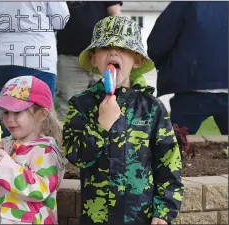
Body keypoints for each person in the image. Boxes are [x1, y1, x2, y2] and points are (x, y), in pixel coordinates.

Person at [62, 16, 184, 225]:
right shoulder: (81, 105)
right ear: (93, 59)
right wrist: (101, 125)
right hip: (96, 218)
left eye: (123, 47)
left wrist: (163, 211)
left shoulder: (152, 108)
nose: (113, 51)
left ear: (137, 60)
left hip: (139, 217)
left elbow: (168, 163)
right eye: (105, 47)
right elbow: (75, 156)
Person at [0, 76, 65, 224]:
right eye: (5, 112)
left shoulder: (46, 151)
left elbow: (40, 189)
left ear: (41, 114)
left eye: (17, 112)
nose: (9, 119)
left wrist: (6, 167)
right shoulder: (4, 144)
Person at [0, 2, 70, 137]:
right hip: (36, 57)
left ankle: (4, 155)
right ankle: (37, 157)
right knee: (39, 120)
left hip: (1, 59)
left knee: (5, 117)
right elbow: (60, 20)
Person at [147, 2, 228, 135]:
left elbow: (157, 45)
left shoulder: (184, 3)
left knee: (173, 149)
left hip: (192, 86)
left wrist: (166, 66)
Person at [55, 1, 123, 121]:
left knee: (106, 101)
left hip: (100, 55)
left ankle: (102, 138)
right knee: (69, 105)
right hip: (69, 55)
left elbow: (115, 14)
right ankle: (69, 139)